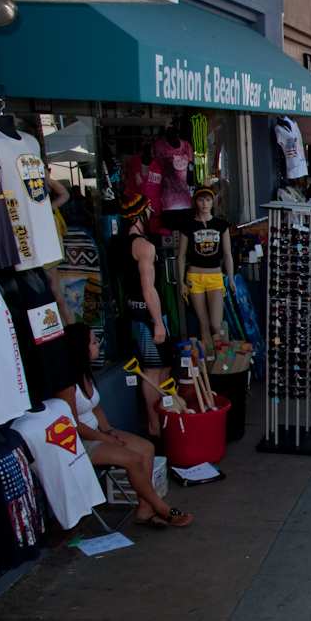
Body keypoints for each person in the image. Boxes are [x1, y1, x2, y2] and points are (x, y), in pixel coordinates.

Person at [63, 323, 193, 528]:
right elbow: (72, 424)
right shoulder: (67, 384)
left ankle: (144, 508)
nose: (98, 345)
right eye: (93, 342)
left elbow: (95, 407)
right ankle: (161, 507)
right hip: (80, 443)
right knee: (133, 459)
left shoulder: (86, 373)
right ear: (80, 348)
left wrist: (108, 429)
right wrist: (104, 438)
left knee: (147, 449)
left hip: (98, 432)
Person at [115, 194, 172, 438]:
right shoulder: (144, 247)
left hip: (131, 311)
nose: (151, 214)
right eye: (148, 210)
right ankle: (155, 427)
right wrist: (158, 322)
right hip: (147, 315)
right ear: (140, 214)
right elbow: (148, 288)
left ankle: (159, 422)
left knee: (161, 368)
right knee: (153, 371)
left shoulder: (116, 244)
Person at [177, 186, 233, 350]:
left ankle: (222, 356)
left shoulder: (221, 224)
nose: (205, 203)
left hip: (215, 276)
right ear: (195, 202)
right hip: (195, 277)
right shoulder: (188, 225)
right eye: (201, 199)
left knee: (216, 323)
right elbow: (181, 256)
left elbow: (228, 254)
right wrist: (181, 282)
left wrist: (230, 277)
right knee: (204, 323)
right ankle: (209, 363)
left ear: (213, 202)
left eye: (208, 200)